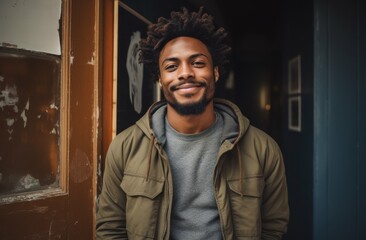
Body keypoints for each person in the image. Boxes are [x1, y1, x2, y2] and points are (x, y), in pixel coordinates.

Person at [96, 6, 289, 240]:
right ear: (159, 79)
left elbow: (273, 228)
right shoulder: (124, 148)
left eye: (197, 63)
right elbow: (110, 229)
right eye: (171, 66)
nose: (185, 73)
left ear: (215, 73)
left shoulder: (264, 149)